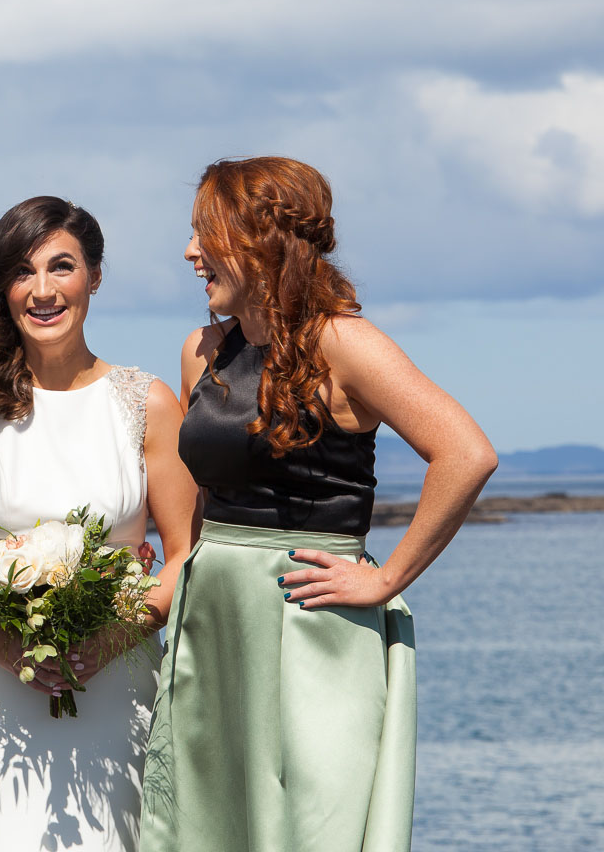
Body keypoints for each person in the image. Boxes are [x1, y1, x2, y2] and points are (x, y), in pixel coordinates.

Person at [141, 157, 499, 852]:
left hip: (308, 614)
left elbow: (466, 453)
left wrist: (387, 577)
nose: (189, 253)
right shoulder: (203, 350)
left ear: (260, 239)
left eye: (203, 234)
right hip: (213, 614)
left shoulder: (345, 342)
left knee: (312, 819)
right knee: (211, 817)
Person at [0, 196, 199, 852]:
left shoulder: (147, 403)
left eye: (61, 267)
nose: (42, 290)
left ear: (93, 276)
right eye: (22, 272)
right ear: (3, 289)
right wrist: (8, 649)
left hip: (117, 686)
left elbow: (186, 551)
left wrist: (106, 642)